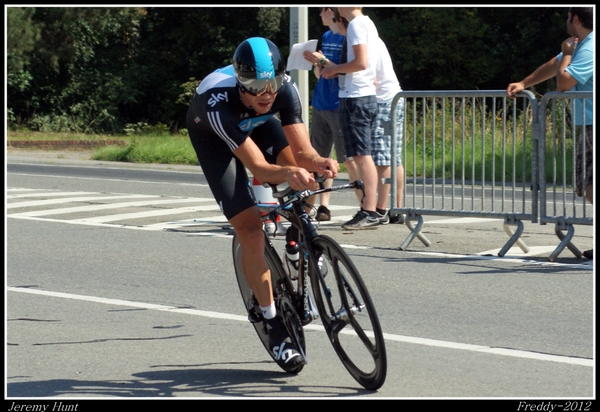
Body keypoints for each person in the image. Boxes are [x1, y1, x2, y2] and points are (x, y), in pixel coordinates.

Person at [186, 37, 338, 371]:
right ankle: (273, 323)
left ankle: (298, 244)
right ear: (241, 84)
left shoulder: (282, 90)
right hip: (215, 137)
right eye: (256, 87)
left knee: (305, 176)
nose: (267, 94)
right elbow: (259, 170)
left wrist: (318, 162)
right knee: (250, 228)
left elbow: (304, 153)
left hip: (258, 125)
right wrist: (290, 171)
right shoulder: (218, 101)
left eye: (272, 84)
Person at [507, 7, 593, 259]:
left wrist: (567, 55)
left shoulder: (588, 47)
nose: (566, 21)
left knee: (588, 185)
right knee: (587, 184)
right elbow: (554, 65)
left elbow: (563, 81)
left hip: (593, 124)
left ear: (576, 19)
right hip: (589, 124)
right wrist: (524, 83)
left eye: (568, 17)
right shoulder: (581, 44)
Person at [321, 7, 381, 230]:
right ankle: (369, 208)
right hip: (361, 95)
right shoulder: (366, 22)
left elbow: (361, 62)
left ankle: (369, 210)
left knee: (362, 156)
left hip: (356, 96)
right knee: (361, 155)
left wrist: (335, 69)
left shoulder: (356, 25)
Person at [302, 7, 359, 222]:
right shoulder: (326, 36)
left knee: (350, 159)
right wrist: (317, 63)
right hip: (321, 102)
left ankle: (365, 205)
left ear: (329, 11)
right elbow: (322, 73)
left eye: (321, 11)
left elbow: (344, 68)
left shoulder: (347, 36)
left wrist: (323, 62)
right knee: (319, 158)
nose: (319, 15)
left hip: (339, 102)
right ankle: (321, 207)